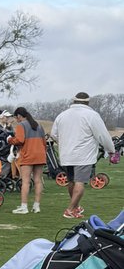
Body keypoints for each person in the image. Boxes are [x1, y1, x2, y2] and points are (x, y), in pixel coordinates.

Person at [51, 92, 115, 220]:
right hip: (84, 155)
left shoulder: (62, 115)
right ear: (87, 102)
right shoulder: (92, 115)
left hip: (67, 154)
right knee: (80, 182)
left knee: (71, 181)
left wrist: (64, 143)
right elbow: (102, 135)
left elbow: (53, 134)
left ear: (74, 101)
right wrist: (110, 149)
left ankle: (76, 207)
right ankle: (70, 210)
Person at [7, 107, 47, 214]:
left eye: (16, 118)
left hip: (28, 155)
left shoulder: (21, 125)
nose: (16, 120)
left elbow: (19, 140)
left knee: (25, 181)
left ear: (19, 116)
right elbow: (44, 142)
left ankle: (24, 207)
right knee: (38, 180)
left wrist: (10, 140)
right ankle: (36, 206)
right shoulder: (38, 125)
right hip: (40, 155)